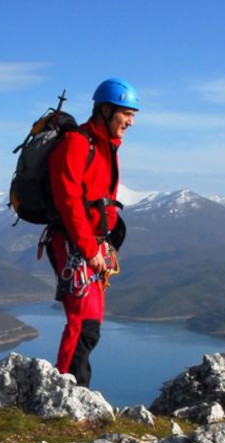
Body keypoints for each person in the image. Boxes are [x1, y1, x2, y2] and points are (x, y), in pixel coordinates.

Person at [47, 78, 139, 387]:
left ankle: (74, 392)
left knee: (91, 324)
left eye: (133, 115)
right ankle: (64, 392)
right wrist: (89, 249)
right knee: (82, 324)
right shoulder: (77, 143)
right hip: (73, 245)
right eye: (127, 113)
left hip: (92, 245)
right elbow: (69, 201)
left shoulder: (106, 148)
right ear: (106, 110)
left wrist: (103, 244)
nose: (131, 122)